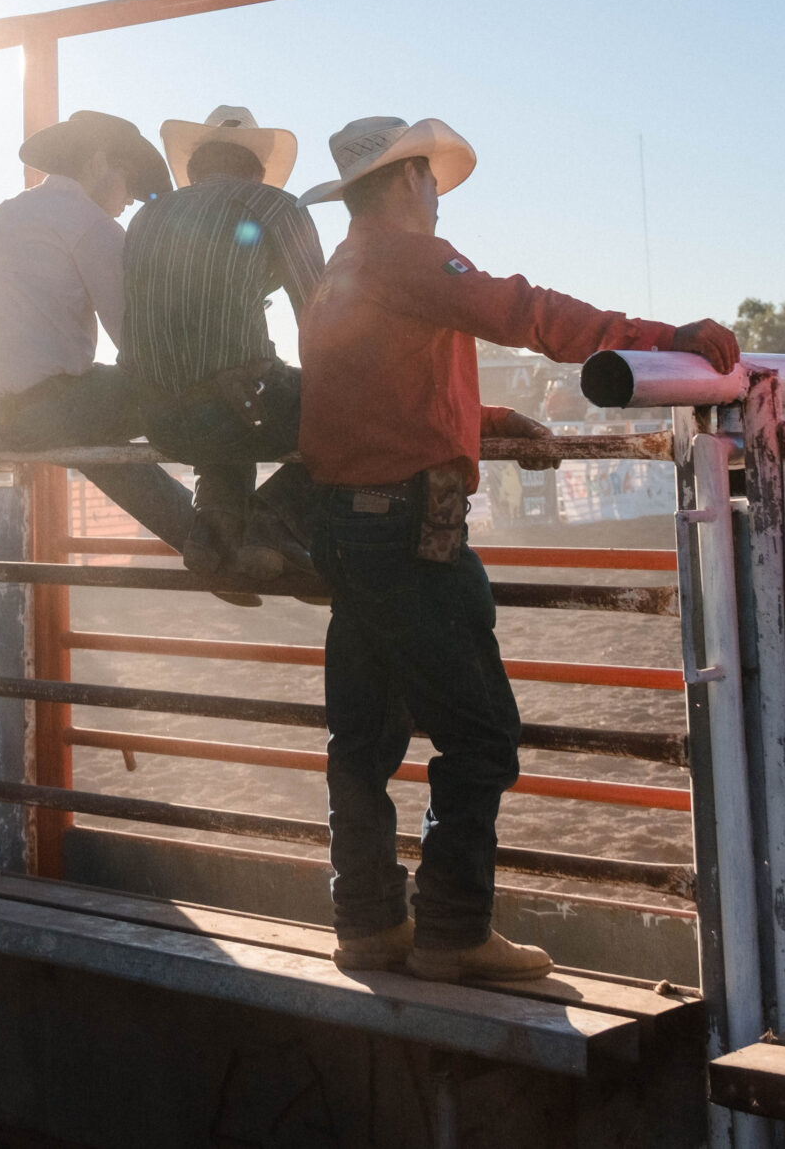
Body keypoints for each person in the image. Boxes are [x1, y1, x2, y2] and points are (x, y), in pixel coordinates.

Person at [296, 115, 738, 984]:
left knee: (365, 733)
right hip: (409, 526)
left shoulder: (343, 272)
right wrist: (659, 341)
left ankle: (368, 922)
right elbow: (522, 311)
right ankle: (454, 930)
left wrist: (487, 423)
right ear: (404, 182)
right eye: (427, 179)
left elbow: (370, 398)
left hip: (348, 523)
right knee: (483, 732)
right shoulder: (410, 257)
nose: (435, 195)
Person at [0, 110, 240, 586]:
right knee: (209, 387)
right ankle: (227, 532)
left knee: (91, 426)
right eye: (131, 183)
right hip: (45, 411)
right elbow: (143, 346)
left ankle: (202, 543)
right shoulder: (91, 224)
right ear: (101, 160)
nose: (130, 200)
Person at [122, 104, 324, 586]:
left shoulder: (147, 217)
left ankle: (214, 523)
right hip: (234, 412)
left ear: (194, 167)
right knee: (365, 413)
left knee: (230, 387)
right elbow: (322, 320)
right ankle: (274, 521)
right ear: (257, 171)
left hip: (159, 420)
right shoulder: (277, 206)